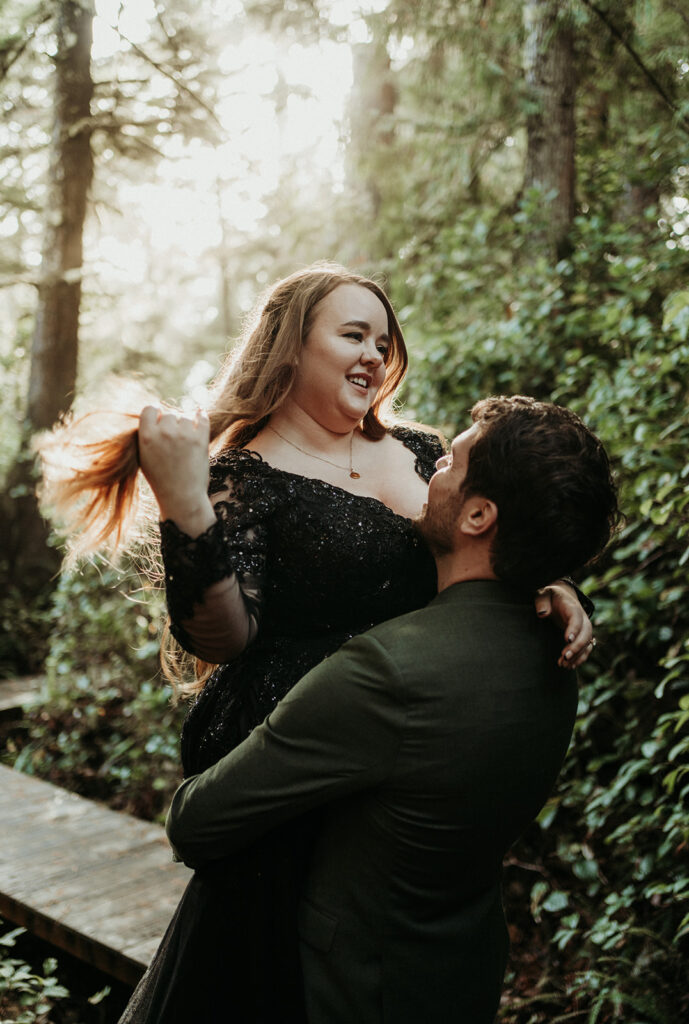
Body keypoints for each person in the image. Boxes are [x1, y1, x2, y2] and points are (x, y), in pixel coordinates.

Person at [40, 264, 593, 1023]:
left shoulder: (423, 451)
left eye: (382, 337)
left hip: (407, 740)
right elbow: (225, 635)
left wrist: (552, 584)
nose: (374, 352)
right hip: (290, 754)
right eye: (351, 334)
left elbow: (491, 536)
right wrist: (185, 509)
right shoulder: (245, 474)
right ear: (291, 348)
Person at [165, 395, 621, 1024]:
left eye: (449, 463)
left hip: (353, 988)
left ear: (480, 514)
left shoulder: (385, 671)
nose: (427, 468)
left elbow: (195, 821)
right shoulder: (554, 641)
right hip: (463, 968)